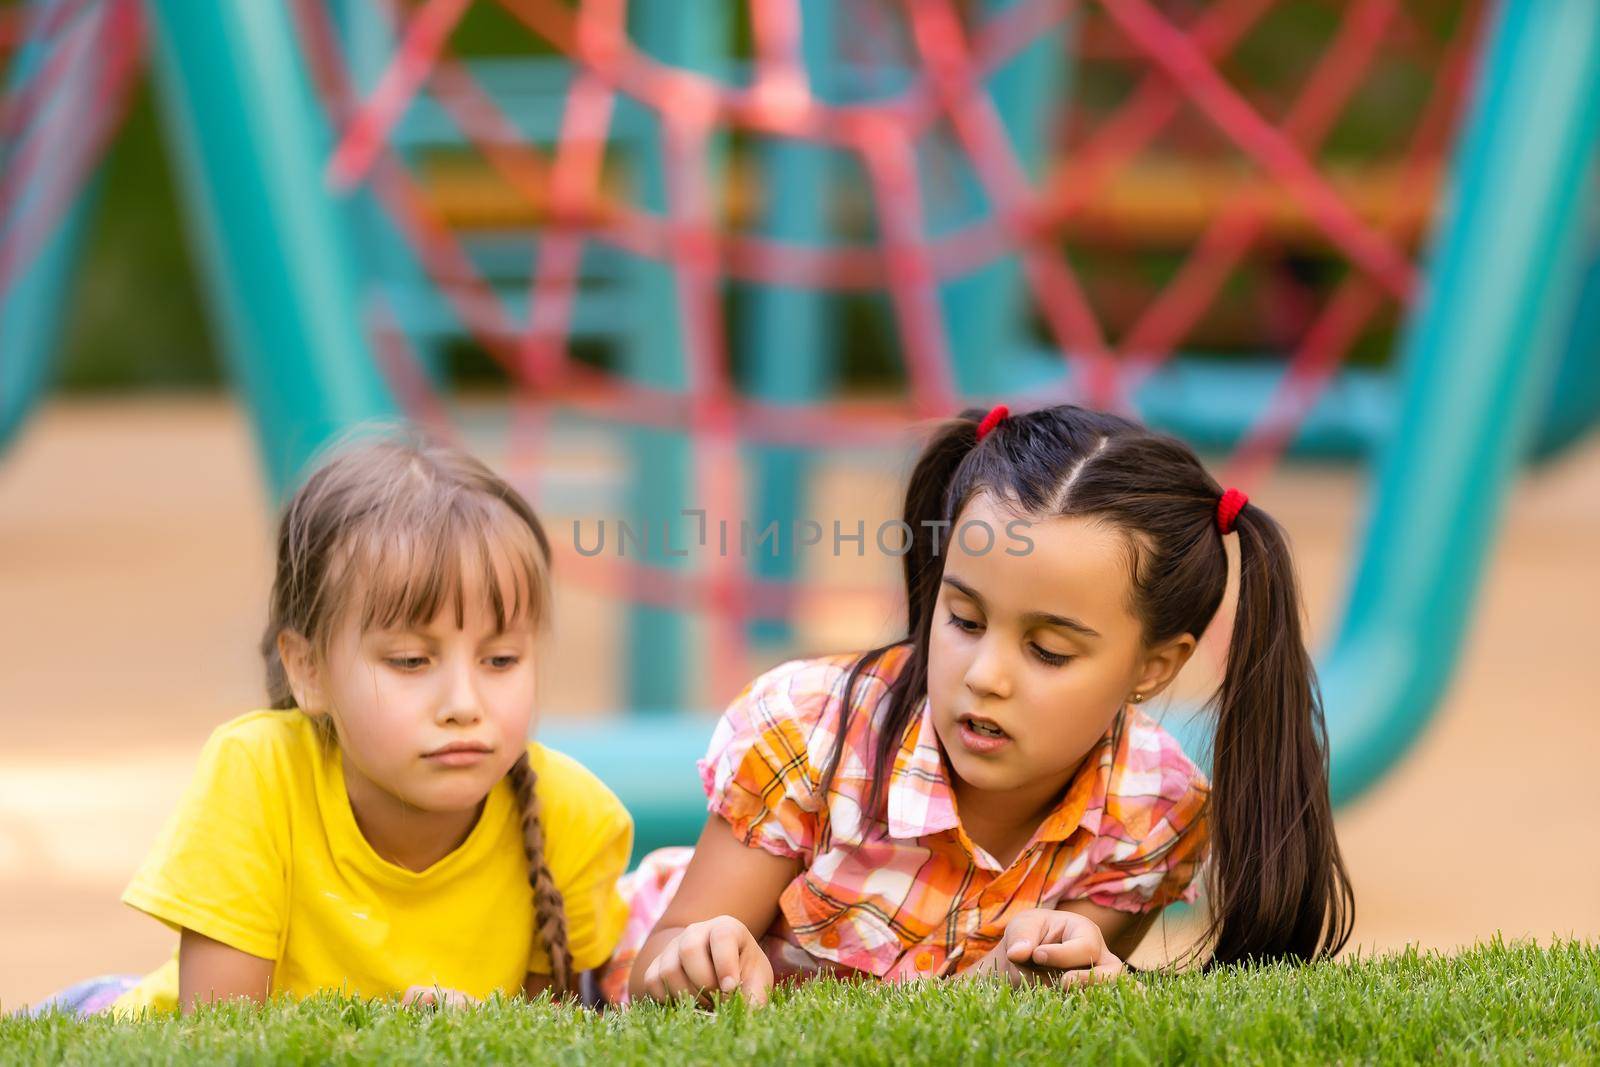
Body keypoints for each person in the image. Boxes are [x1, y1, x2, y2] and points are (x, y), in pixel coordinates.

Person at [612, 403, 1353, 1005]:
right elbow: (649, 981)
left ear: (1154, 666)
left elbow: (996, 1025)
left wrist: (1054, 976)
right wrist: (697, 960)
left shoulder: (1151, 812)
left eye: (1049, 651)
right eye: (964, 619)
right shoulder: (807, 730)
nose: (986, 675)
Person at [56, 434, 633, 1016]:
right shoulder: (260, 776)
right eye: (411, 660)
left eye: (501, 660)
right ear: (308, 670)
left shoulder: (573, 816)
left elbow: (543, 1039)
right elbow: (219, 1037)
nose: (464, 703)